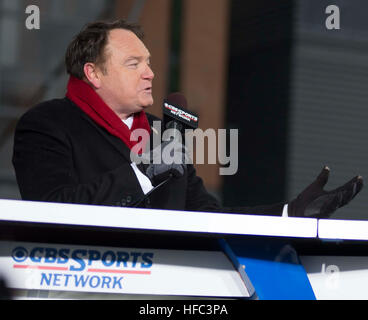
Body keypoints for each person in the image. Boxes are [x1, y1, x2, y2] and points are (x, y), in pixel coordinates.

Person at [12, 19, 363, 219]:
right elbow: (51, 209)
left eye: (148, 62)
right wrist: (142, 174)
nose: (150, 73)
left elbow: (204, 217)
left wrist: (289, 214)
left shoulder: (164, 134)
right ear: (94, 73)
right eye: (134, 64)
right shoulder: (46, 124)